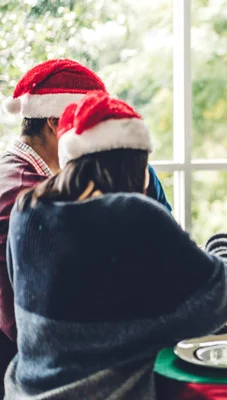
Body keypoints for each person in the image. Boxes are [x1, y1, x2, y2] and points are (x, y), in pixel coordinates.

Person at [3, 92, 227, 399]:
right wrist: (225, 242)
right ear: (135, 164)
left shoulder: (27, 209)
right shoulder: (133, 213)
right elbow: (219, 297)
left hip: (23, 390)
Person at [0, 59, 172, 392]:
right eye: (86, 126)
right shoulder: (29, 193)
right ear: (54, 123)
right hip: (40, 368)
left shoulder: (30, 174)